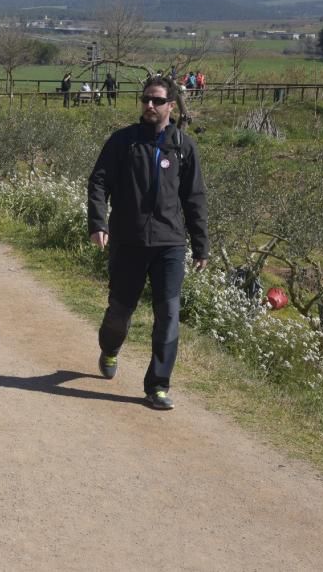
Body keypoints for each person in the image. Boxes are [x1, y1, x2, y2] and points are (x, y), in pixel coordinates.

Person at [87, 76, 209, 410]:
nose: (149, 106)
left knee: (168, 314)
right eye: (145, 100)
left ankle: (157, 385)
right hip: (128, 240)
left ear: (171, 104)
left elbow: (194, 198)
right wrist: (98, 222)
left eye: (157, 101)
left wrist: (201, 244)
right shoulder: (123, 142)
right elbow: (98, 182)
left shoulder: (184, 147)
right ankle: (110, 348)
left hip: (170, 244)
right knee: (119, 313)